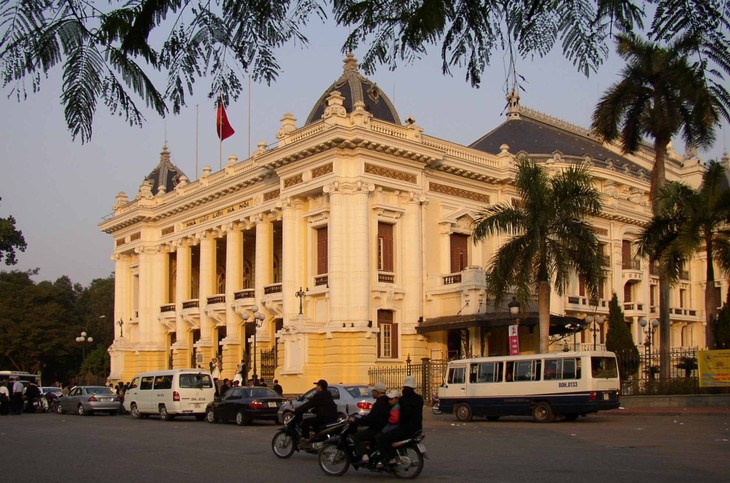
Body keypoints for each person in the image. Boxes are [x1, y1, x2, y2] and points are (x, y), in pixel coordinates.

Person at [375, 375, 423, 465]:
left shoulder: (403, 399)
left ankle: (390, 458)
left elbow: (400, 415)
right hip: (417, 428)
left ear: (404, 387)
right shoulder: (419, 398)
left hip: (405, 428)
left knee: (382, 437)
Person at [351, 382, 390, 462]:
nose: (372, 392)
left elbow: (371, 418)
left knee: (357, 436)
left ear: (377, 392)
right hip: (384, 427)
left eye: (374, 391)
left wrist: (357, 420)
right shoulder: (387, 401)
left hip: (377, 429)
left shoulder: (379, 403)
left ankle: (365, 456)